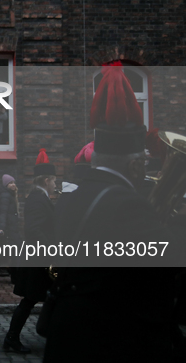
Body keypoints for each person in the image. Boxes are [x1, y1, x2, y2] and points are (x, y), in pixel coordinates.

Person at [44, 63, 186, 362]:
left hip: (69, 337)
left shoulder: (71, 197)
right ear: (135, 165)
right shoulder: (127, 204)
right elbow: (171, 261)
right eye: (144, 163)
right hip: (111, 340)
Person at [3, 149, 56, 354]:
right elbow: (34, 230)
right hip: (38, 260)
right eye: (53, 181)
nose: (54, 185)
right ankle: (12, 338)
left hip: (38, 259)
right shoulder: (37, 198)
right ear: (45, 180)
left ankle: (13, 337)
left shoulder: (39, 196)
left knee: (32, 300)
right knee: (30, 301)